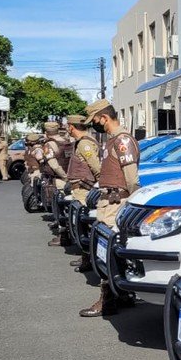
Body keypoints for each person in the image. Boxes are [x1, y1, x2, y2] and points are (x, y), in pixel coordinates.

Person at [79, 101, 140, 317]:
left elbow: (131, 177)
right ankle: (121, 294)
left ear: (104, 118)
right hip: (108, 201)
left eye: (95, 121)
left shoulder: (122, 140)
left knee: (107, 251)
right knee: (108, 250)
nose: (95, 125)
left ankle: (108, 300)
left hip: (117, 202)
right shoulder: (111, 140)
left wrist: (132, 203)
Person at [64, 114, 102, 271]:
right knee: (80, 223)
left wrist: (99, 184)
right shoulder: (81, 142)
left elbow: (95, 166)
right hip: (79, 188)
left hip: (84, 189)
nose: (67, 129)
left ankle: (88, 258)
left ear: (72, 127)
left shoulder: (85, 144)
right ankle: (86, 256)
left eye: (68, 126)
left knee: (84, 224)